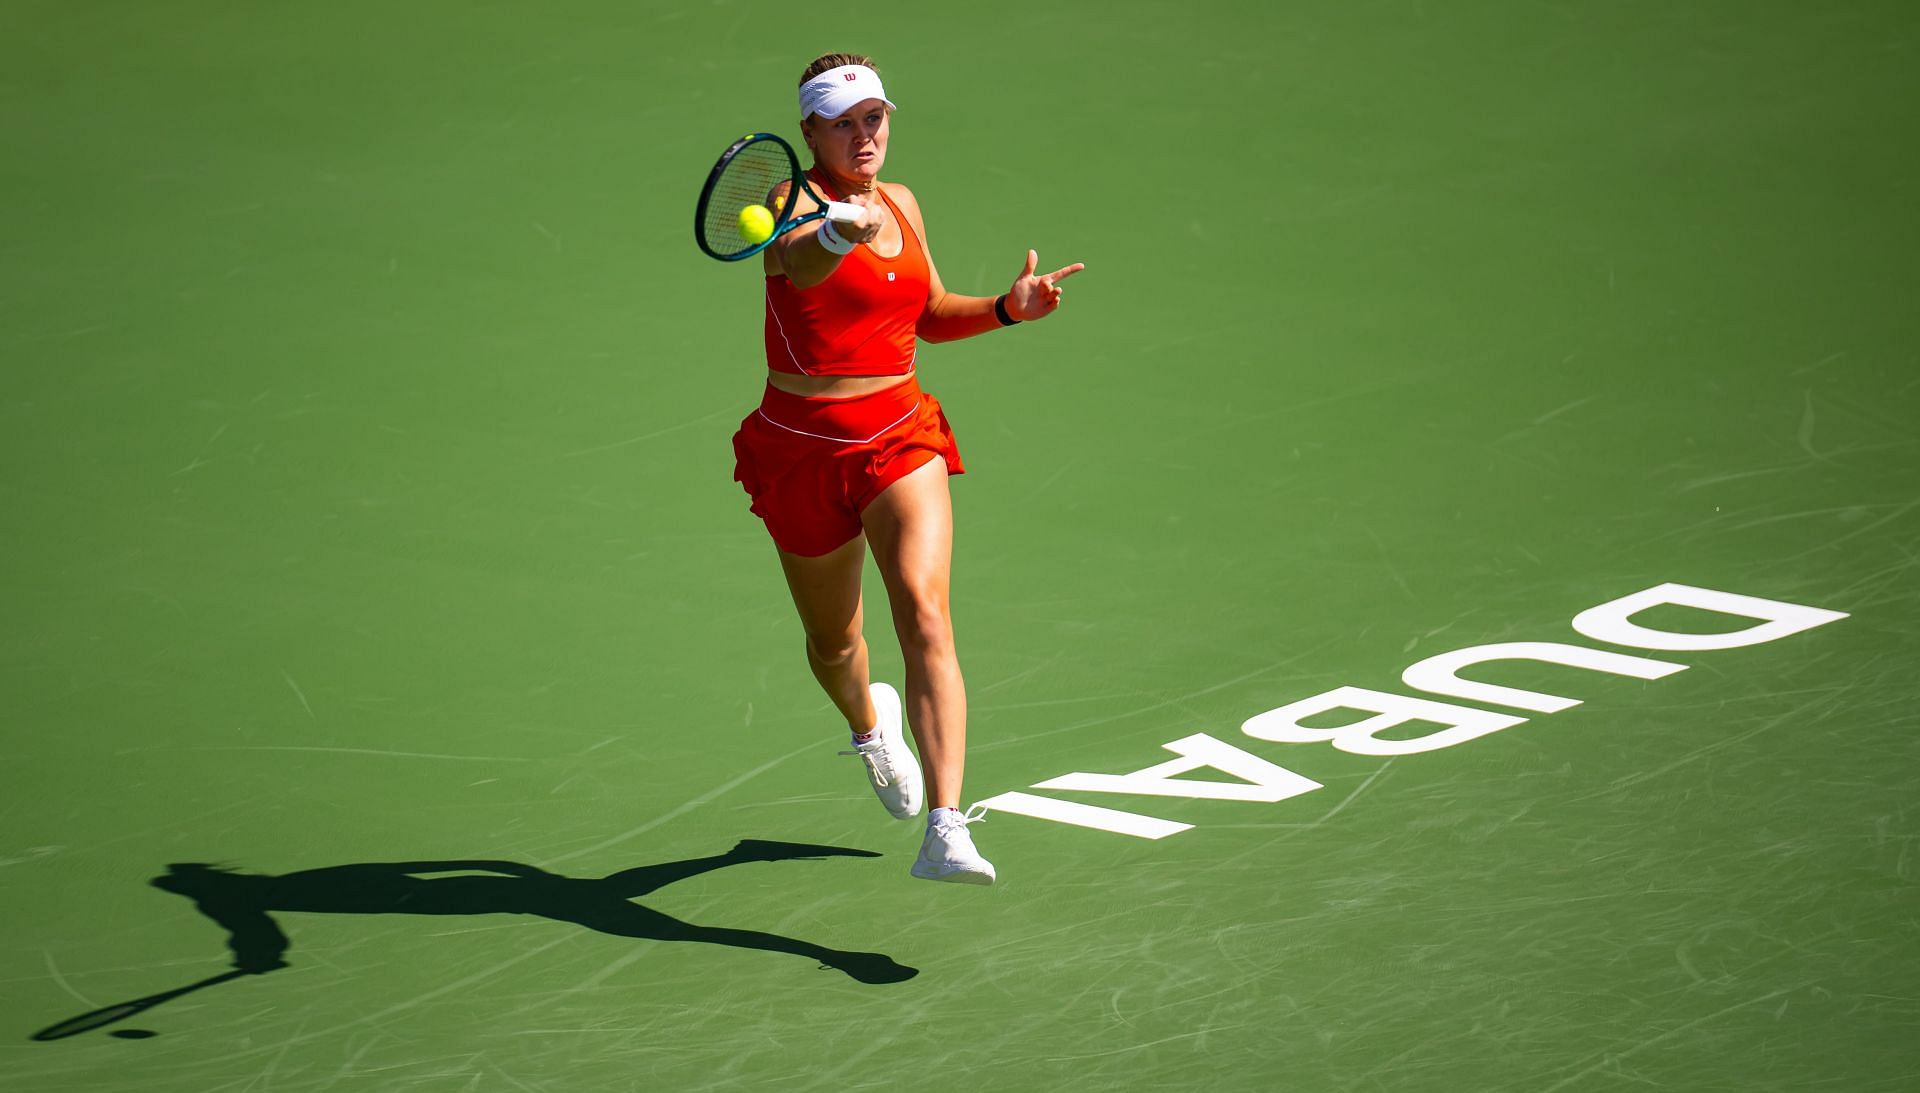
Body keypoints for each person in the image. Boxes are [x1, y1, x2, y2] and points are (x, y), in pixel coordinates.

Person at [730, 54, 1084, 884]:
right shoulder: (783, 209)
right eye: (846, 122)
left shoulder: (904, 203)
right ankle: (867, 723)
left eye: (876, 118)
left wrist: (1005, 307)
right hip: (800, 448)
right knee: (834, 640)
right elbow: (806, 267)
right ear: (810, 130)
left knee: (924, 614)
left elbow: (925, 313)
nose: (865, 136)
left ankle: (947, 827)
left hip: (898, 434)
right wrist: (832, 232)